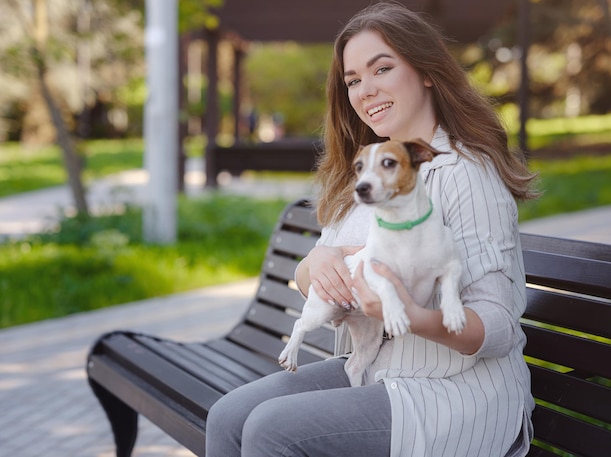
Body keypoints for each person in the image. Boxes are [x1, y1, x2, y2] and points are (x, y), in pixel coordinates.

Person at [205, 2, 538, 456]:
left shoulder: (465, 172)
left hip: (453, 394)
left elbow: (497, 326)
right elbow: (317, 272)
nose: (366, 90)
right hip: (374, 369)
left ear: (426, 70)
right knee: (228, 417)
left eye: (382, 69)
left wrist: (409, 314)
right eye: (354, 80)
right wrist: (315, 263)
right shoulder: (368, 169)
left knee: (271, 429)